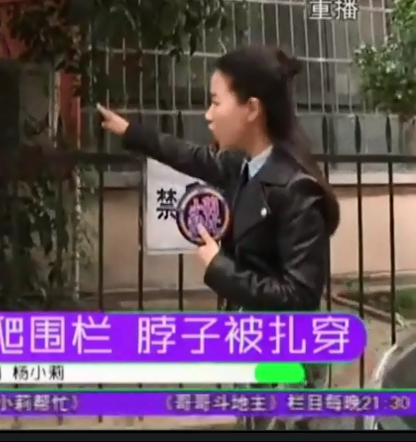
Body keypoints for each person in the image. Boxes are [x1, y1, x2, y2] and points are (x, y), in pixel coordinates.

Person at [97, 45, 340, 430]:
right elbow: (188, 155)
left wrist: (219, 268)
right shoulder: (240, 164)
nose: (208, 115)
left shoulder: (296, 190)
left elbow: (299, 296)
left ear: (251, 109)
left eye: (215, 102)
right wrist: (131, 132)